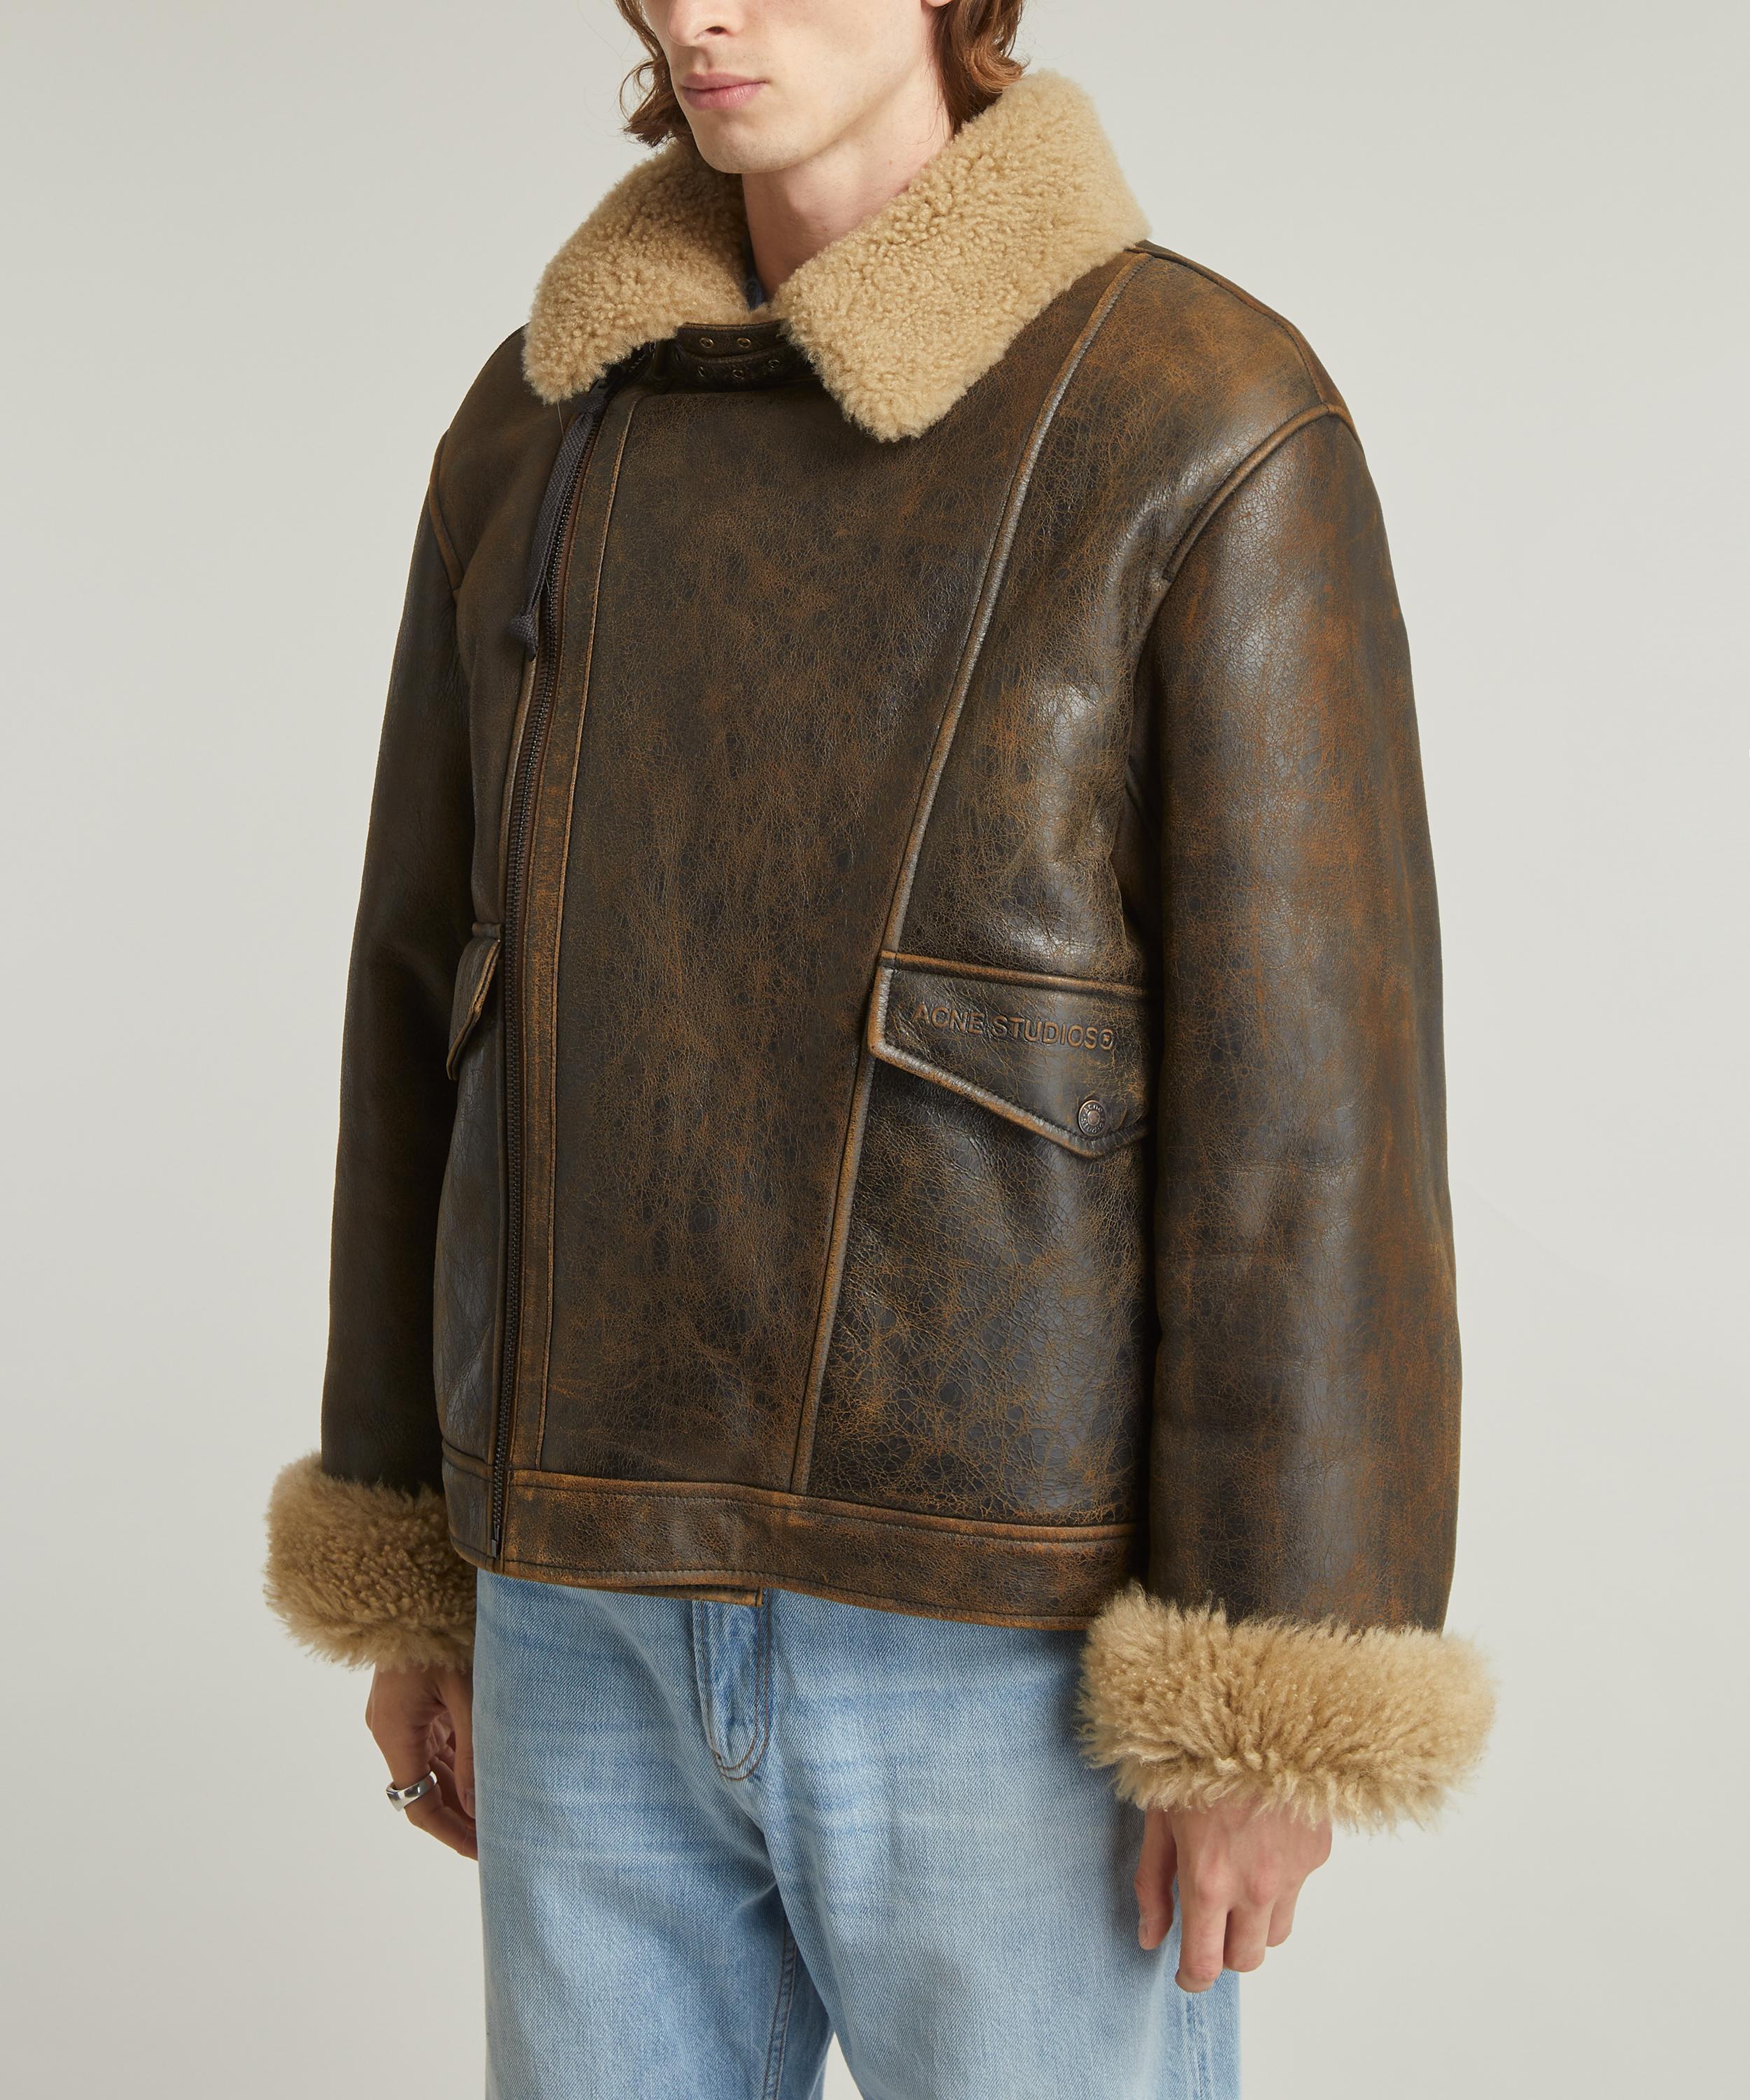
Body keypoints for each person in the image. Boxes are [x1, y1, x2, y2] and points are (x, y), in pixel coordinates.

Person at [265, 3, 1495, 2093]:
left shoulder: (1195, 408)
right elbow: (420, 996)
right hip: (576, 1598)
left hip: (1000, 1633)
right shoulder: (541, 421)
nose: (698, 11)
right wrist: (408, 1555)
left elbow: (1315, 1104)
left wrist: (1269, 1687)